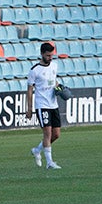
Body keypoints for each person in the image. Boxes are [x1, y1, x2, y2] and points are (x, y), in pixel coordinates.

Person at [26, 42, 63, 170]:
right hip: (42, 105)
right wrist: (29, 108)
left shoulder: (54, 66)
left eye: (52, 55)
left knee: (56, 134)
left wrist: (59, 87)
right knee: (47, 132)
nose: (50, 58)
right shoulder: (35, 70)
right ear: (42, 54)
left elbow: (54, 81)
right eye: (48, 55)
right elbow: (30, 89)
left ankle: (37, 150)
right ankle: (49, 162)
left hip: (53, 104)